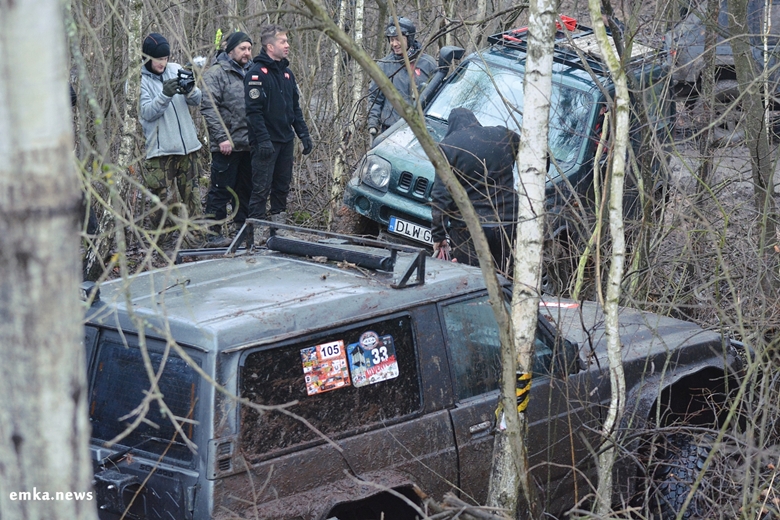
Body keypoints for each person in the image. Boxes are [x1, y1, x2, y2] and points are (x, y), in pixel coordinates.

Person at [431, 107, 520, 275]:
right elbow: (537, 153)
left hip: (468, 229)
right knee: (504, 277)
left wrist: (439, 236)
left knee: (471, 280)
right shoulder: (502, 135)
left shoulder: (447, 147)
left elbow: (441, 197)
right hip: (506, 223)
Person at [245, 24, 312, 245]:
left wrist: (304, 135)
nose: (287, 45)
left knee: (282, 186)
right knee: (260, 188)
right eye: (283, 41)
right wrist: (263, 140)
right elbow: (253, 113)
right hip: (265, 142)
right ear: (269, 46)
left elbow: (295, 108)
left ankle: (278, 230)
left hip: (285, 140)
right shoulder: (256, 73)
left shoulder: (287, 73)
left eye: (287, 41)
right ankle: (254, 233)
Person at [139, 32, 203, 246]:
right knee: (162, 200)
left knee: (192, 196)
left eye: (165, 58)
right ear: (147, 58)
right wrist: (165, 95)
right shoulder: (139, 81)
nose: (163, 63)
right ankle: (161, 243)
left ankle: (195, 240)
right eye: (158, 59)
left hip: (188, 147)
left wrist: (190, 87)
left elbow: (197, 99)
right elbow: (147, 113)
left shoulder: (176, 69)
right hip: (160, 151)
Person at [201, 31, 254, 247]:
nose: (247, 53)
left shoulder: (253, 72)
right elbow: (209, 107)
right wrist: (222, 138)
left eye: (250, 49)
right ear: (230, 49)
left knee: (245, 191)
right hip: (226, 146)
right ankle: (213, 234)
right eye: (243, 48)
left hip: (249, 145)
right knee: (220, 190)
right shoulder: (216, 73)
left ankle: (242, 232)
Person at [367, 17, 437, 139]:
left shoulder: (428, 63)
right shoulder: (384, 65)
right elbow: (375, 97)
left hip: (420, 130)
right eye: (391, 40)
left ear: (409, 38)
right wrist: (373, 124)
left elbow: (438, 96)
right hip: (390, 129)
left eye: (398, 39)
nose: (394, 44)